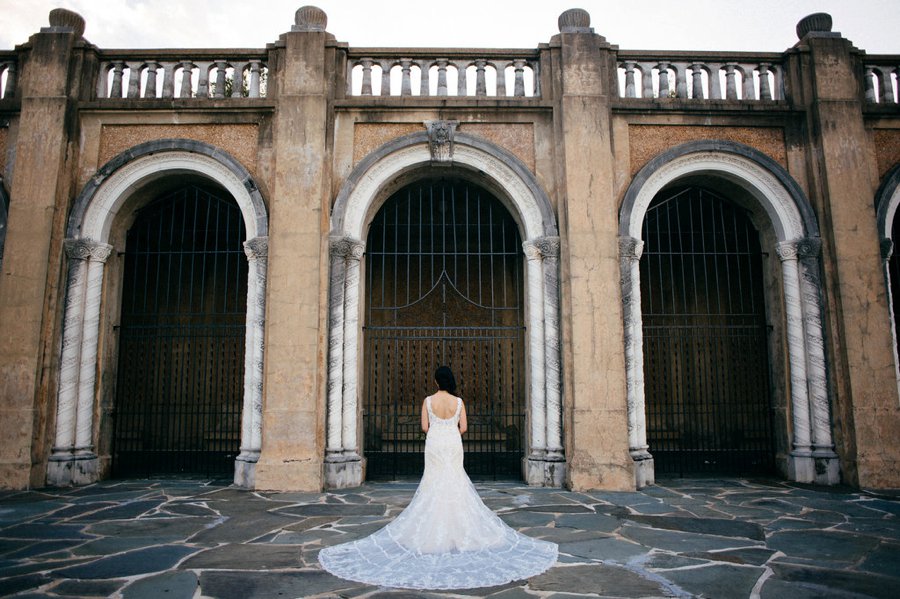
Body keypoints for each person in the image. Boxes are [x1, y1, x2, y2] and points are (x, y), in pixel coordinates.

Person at [318, 366, 558, 590]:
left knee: (433, 482)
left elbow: (424, 426)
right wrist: (450, 427)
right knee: (455, 480)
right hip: (453, 442)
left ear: (435, 381)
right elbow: (463, 428)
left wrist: (437, 427)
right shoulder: (460, 401)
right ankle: (458, 531)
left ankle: (432, 534)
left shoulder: (428, 401)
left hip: (435, 442)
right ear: (451, 381)